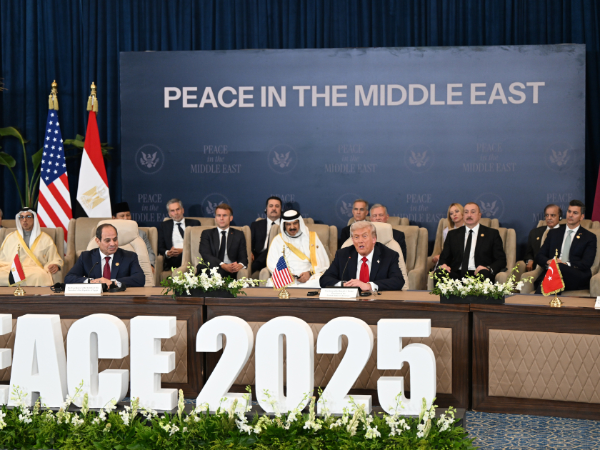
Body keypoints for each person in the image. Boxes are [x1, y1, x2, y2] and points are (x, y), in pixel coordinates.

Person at [320, 221, 404, 291]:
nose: (360, 241)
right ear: (352, 240)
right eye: (356, 237)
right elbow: (325, 279)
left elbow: (398, 281)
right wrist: (344, 285)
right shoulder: (343, 255)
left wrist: (369, 286)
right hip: (350, 302)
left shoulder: (389, 255)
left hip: (377, 302)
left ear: (374, 239)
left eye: (364, 236)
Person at [535, 200, 597, 293]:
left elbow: (586, 263)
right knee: (555, 271)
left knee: (557, 268)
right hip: (553, 273)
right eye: (569, 211)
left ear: (582, 217)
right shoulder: (553, 233)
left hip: (575, 276)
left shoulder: (589, 237)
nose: (570, 215)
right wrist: (549, 261)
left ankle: (538, 299)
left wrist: (565, 264)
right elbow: (539, 256)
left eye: (575, 213)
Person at [435, 202, 506, 283]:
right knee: (439, 273)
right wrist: (443, 265)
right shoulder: (452, 234)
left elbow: (501, 260)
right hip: (457, 273)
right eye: (466, 212)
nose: (469, 215)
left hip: (479, 272)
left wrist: (488, 268)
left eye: (473, 212)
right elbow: (444, 257)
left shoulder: (491, 234)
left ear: (479, 215)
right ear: (463, 215)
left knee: (484, 274)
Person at [65, 223, 145, 287]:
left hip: (119, 298)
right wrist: (92, 282)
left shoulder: (129, 256)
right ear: (98, 241)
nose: (112, 244)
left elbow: (140, 279)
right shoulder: (86, 257)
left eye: (115, 239)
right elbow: (69, 278)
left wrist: (113, 282)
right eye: (107, 241)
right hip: (95, 299)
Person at [266, 210, 329, 288]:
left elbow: (322, 262)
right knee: (273, 283)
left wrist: (310, 273)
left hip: (309, 278)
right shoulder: (278, 240)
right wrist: (285, 274)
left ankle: (295, 290)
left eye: (295, 223)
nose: (292, 227)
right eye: (288, 224)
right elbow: (272, 263)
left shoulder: (312, 237)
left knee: (320, 280)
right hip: (287, 277)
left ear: (300, 223)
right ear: (284, 225)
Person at [0, 208, 63, 286]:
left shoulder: (45, 239)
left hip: (34, 271)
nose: (24, 220)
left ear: (34, 219)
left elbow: (54, 258)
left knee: (39, 276)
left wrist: (55, 265)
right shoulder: (10, 237)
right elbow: (2, 259)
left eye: (28, 217)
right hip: (12, 269)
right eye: (22, 217)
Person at [197, 204, 248, 277]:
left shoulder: (239, 234)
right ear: (215, 218)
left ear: (231, 218)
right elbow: (206, 254)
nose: (221, 218)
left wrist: (239, 265)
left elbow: (243, 258)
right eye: (218, 215)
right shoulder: (207, 233)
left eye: (224, 215)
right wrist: (223, 265)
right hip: (212, 268)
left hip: (231, 270)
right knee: (209, 266)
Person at [112, 202, 156, 274]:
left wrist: (151, 265)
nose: (126, 218)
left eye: (128, 215)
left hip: (137, 266)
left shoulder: (141, 233)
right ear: (114, 218)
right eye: (122, 216)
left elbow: (149, 252)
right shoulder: (110, 234)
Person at [158, 199, 200, 271]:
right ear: (169, 214)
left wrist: (183, 251)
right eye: (172, 211)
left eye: (178, 209)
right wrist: (168, 253)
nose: (176, 213)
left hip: (191, 256)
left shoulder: (194, 223)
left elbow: (198, 244)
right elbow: (160, 247)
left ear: (182, 210)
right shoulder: (164, 225)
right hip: (174, 259)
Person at [524, 204, 563, 272]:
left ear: (560, 217)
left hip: (557, 268)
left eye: (552, 215)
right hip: (537, 268)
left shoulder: (565, 232)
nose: (549, 218)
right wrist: (530, 260)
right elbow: (529, 253)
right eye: (547, 215)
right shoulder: (535, 232)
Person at [250, 196, 282, 274]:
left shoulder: (286, 225)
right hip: (258, 256)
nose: (274, 208)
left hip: (277, 257)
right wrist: (250, 251)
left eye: (277, 206)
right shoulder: (256, 225)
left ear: (281, 209)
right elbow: (249, 242)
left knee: (271, 248)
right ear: (266, 209)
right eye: (271, 206)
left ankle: (256, 266)